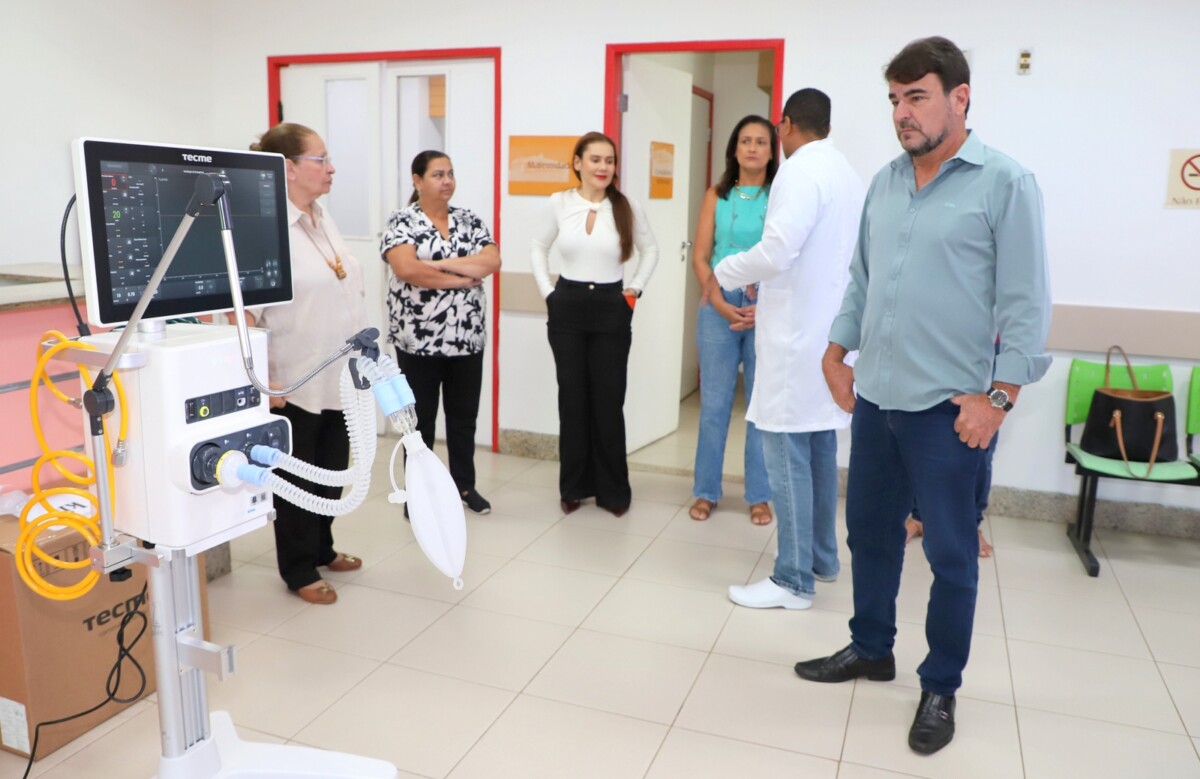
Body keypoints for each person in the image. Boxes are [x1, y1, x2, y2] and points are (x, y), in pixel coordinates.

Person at [797, 37, 1051, 756]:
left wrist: (998, 398)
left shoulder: (1005, 183)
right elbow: (862, 279)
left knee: (950, 553)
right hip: (877, 400)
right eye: (894, 100)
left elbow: (1026, 302)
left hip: (950, 411)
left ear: (959, 98)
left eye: (916, 97)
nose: (902, 113)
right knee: (870, 534)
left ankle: (940, 684)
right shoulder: (884, 182)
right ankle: (870, 646)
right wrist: (835, 351)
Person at [705, 89, 865, 609]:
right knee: (818, 449)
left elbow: (777, 251)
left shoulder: (798, 171)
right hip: (830, 339)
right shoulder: (846, 173)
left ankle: (793, 580)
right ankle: (821, 558)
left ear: (786, 125)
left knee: (785, 452)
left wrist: (724, 272)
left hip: (797, 342)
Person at [249, 122, 367, 605]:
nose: (331, 168)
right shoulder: (266, 230)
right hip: (292, 380)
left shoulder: (320, 216)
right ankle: (298, 568)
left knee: (332, 469)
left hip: (338, 375)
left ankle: (322, 548)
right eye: (321, 159)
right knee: (298, 480)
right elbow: (244, 316)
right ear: (289, 168)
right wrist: (264, 382)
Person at [531, 131, 658, 517]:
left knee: (608, 400)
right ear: (578, 163)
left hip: (610, 307)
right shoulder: (558, 203)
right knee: (572, 400)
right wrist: (548, 292)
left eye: (609, 161)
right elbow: (538, 247)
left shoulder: (627, 206)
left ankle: (613, 492)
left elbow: (651, 249)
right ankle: (573, 487)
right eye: (595, 160)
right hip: (567, 307)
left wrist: (634, 290)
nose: (603, 167)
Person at [381, 151, 500, 515]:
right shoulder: (402, 221)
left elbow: (491, 261)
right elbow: (407, 269)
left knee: (464, 420)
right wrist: (462, 278)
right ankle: (418, 494)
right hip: (419, 341)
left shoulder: (469, 220)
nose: (447, 181)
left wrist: (439, 264)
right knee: (420, 423)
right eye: (437, 174)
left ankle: (464, 486)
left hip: (467, 338)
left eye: (450, 174)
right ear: (417, 180)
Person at [688, 115, 778, 526]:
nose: (753, 148)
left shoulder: (780, 195)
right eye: (746, 141)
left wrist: (767, 305)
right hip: (718, 304)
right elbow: (700, 256)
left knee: (759, 408)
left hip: (766, 307)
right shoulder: (716, 194)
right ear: (735, 149)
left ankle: (759, 495)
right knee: (715, 406)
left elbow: (786, 256)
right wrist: (720, 303)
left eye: (761, 141)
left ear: (772, 150)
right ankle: (706, 490)